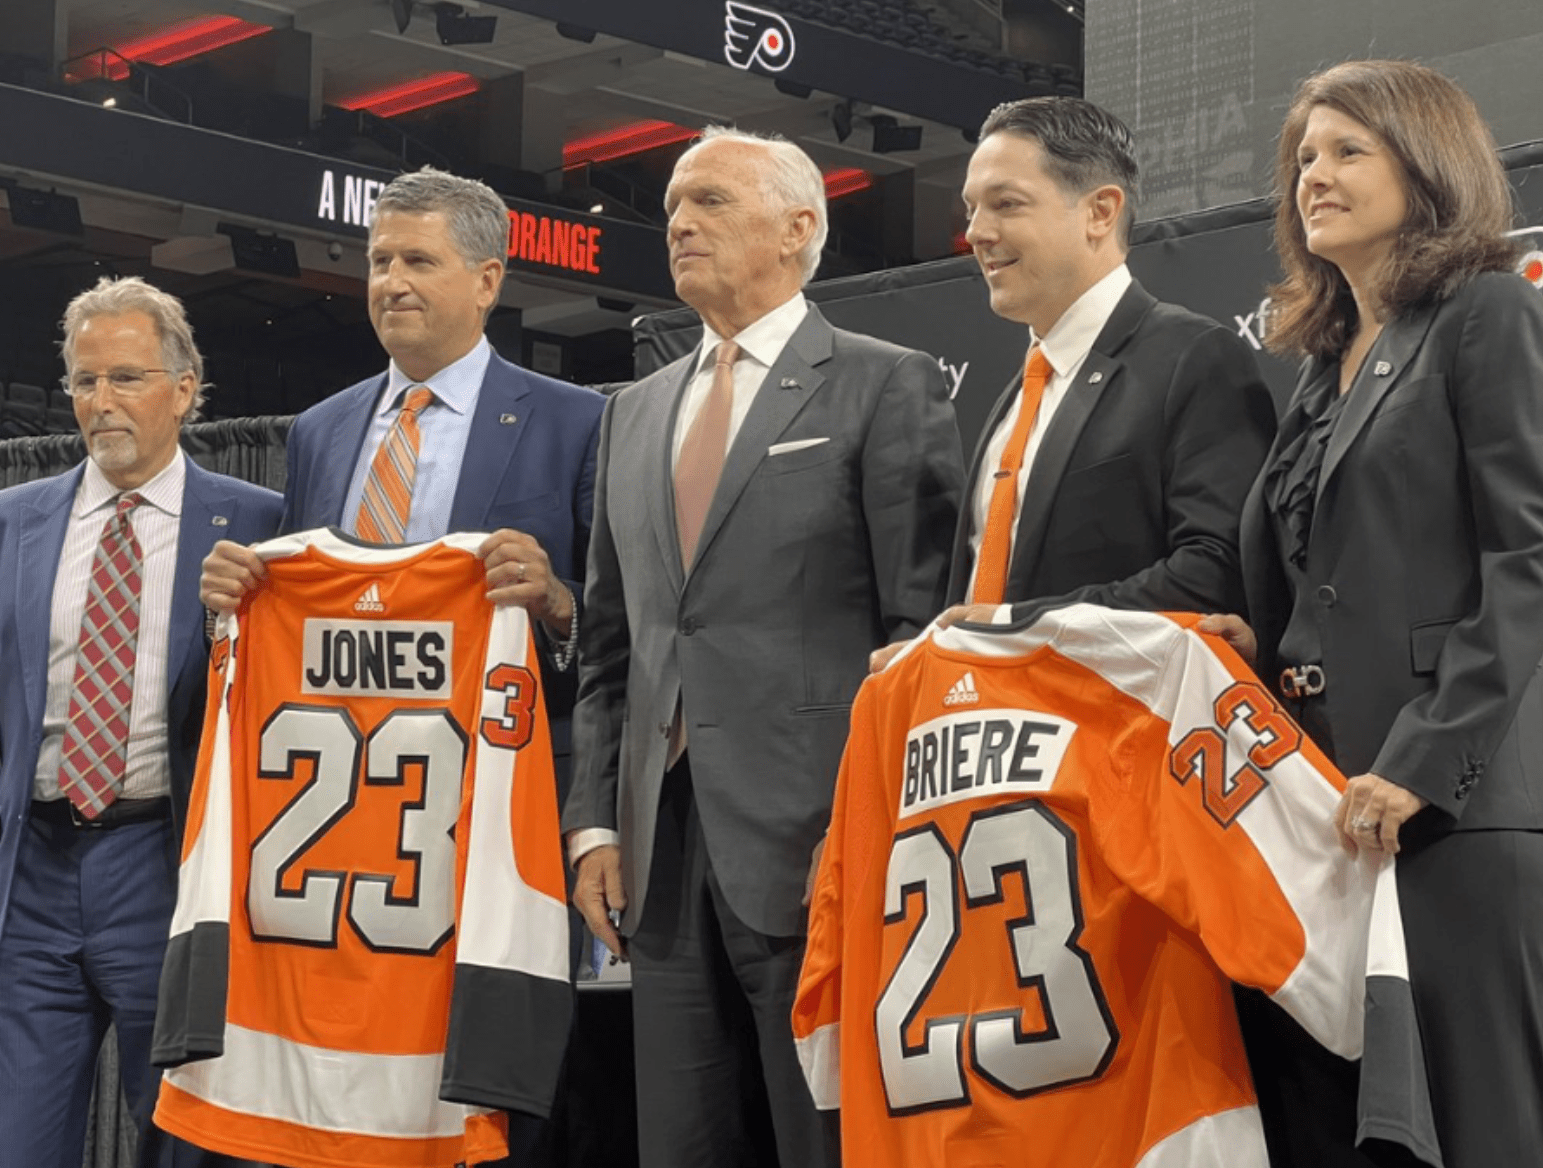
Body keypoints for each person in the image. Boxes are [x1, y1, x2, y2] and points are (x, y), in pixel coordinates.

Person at [563, 125, 965, 1168]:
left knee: (821, 1142)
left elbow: (914, 633)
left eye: (707, 202)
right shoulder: (632, 412)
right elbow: (611, 645)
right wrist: (594, 826)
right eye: (670, 211)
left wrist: (880, 830)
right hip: (658, 854)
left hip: (822, 843)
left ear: (797, 228)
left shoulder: (886, 383)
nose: (678, 225)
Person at [198, 166, 605, 1168]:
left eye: (417, 260)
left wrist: (555, 602)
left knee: (483, 1097)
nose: (390, 281)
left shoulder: (578, 421)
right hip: (346, 827)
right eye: (378, 261)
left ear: (486, 279)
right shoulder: (321, 429)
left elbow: (618, 632)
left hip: (496, 821)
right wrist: (238, 604)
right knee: (351, 1087)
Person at [1201, 59, 1543, 1168]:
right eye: (1303, 155)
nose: (1314, 174)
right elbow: (1317, 581)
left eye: (1348, 150)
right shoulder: (1314, 362)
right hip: (1318, 808)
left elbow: (1526, 552)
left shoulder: (1485, 312)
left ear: (1426, 162)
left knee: (1480, 1126)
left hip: (1449, 804)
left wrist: (1425, 755)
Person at [0, 276, 283, 1168]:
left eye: (126, 378)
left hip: (169, 871)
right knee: (10, 1146)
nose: (101, 403)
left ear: (185, 388)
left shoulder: (259, 528)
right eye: (85, 383)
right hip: (32, 879)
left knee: (189, 1144)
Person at [875, 96, 1273, 659]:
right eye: (971, 209)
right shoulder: (1020, 392)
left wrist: (1014, 626)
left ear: (1100, 212)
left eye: (1006, 204)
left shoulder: (1193, 357)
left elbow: (1215, 571)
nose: (976, 233)